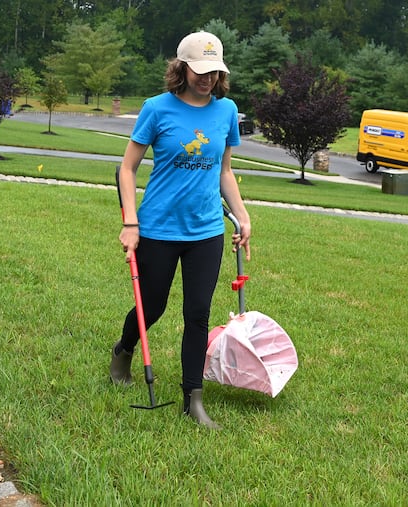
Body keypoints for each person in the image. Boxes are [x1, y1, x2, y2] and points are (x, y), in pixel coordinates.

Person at [110, 31, 251, 429]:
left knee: (198, 314)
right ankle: (124, 349)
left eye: (214, 72)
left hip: (206, 231)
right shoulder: (157, 109)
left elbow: (225, 172)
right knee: (151, 306)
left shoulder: (226, 112)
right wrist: (130, 222)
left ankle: (193, 400)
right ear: (182, 67)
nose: (206, 79)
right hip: (158, 228)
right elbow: (127, 168)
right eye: (199, 71)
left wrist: (242, 216)